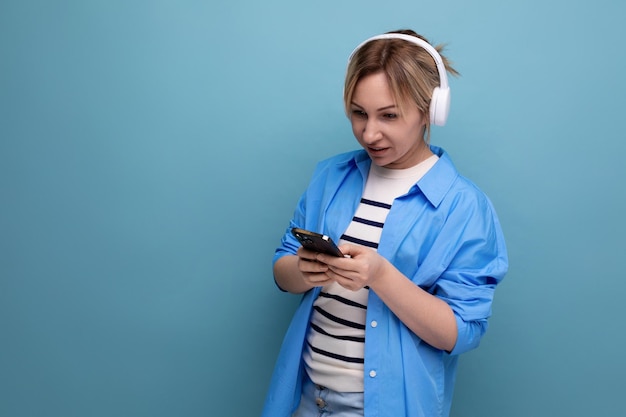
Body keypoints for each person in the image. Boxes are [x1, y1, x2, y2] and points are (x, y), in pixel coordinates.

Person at [262, 29, 508, 417]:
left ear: (430, 110)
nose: (369, 133)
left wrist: (380, 275)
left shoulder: (464, 208)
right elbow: (282, 270)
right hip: (305, 397)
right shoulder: (330, 176)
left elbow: (461, 332)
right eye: (359, 113)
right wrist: (302, 269)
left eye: (389, 115)